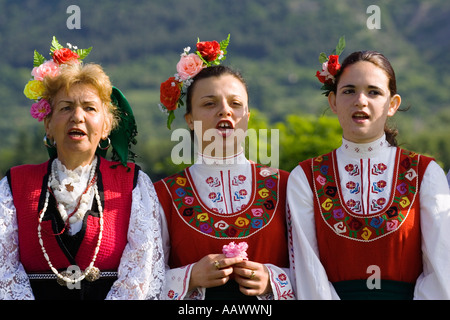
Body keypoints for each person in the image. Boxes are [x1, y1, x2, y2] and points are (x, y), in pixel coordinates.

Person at [0, 37, 164, 300]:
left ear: (106, 127)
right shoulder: (14, 185)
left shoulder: (132, 184)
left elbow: (142, 275)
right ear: (48, 125)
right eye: (66, 108)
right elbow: (3, 273)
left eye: (89, 108)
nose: (77, 116)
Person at [287, 41, 450, 299]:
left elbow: (442, 270)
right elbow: (307, 271)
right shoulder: (305, 177)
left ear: (393, 103)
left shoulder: (426, 174)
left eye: (373, 92)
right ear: (333, 101)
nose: (360, 101)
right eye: (349, 91)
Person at [154, 36, 294, 300]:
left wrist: (272, 280)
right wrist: (190, 277)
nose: (225, 111)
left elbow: (316, 271)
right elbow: (140, 280)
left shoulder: (286, 186)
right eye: (209, 104)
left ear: (247, 117)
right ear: (190, 120)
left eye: (236, 104)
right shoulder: (162, 195)